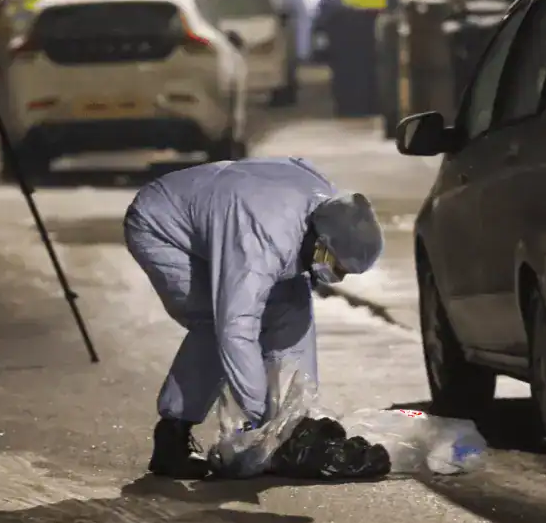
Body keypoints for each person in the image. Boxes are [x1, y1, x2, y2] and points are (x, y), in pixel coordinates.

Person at [124, 158, 384, 479]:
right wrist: (259, 415)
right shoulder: (262, 239)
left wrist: (295, 415)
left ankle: (286, 419)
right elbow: (236, 326)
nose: (339, 277)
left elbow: (293, 326)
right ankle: (173, 436)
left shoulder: (331, 214)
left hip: (228, 211)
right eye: (338, 268)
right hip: (163, 225)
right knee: (214, 321)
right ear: (322, 244)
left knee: (291, 302)